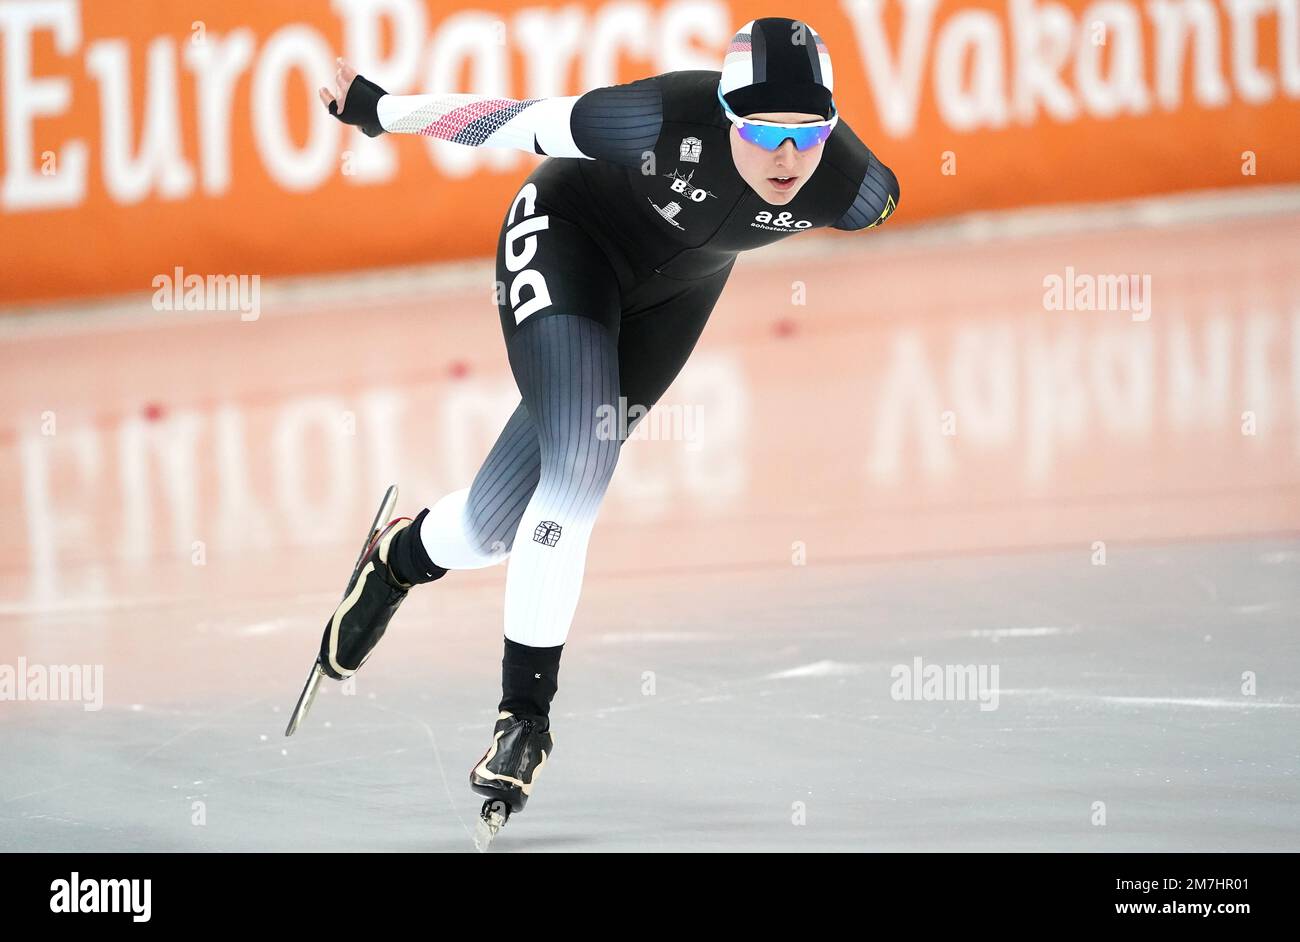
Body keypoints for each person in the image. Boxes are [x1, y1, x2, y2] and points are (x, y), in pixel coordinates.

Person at [313, 16, 899, 841]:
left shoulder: (852, 188)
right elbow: (509, 120)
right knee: (580, 472)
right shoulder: (655, 119)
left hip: (673, 300)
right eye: (765, 129)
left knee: (488, 528)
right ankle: (525, 720)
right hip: (566, 241)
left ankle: (399, 556)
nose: (786, 158)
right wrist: (380, 108)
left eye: (808, 133)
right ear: (729, 113)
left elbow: (875, 190)